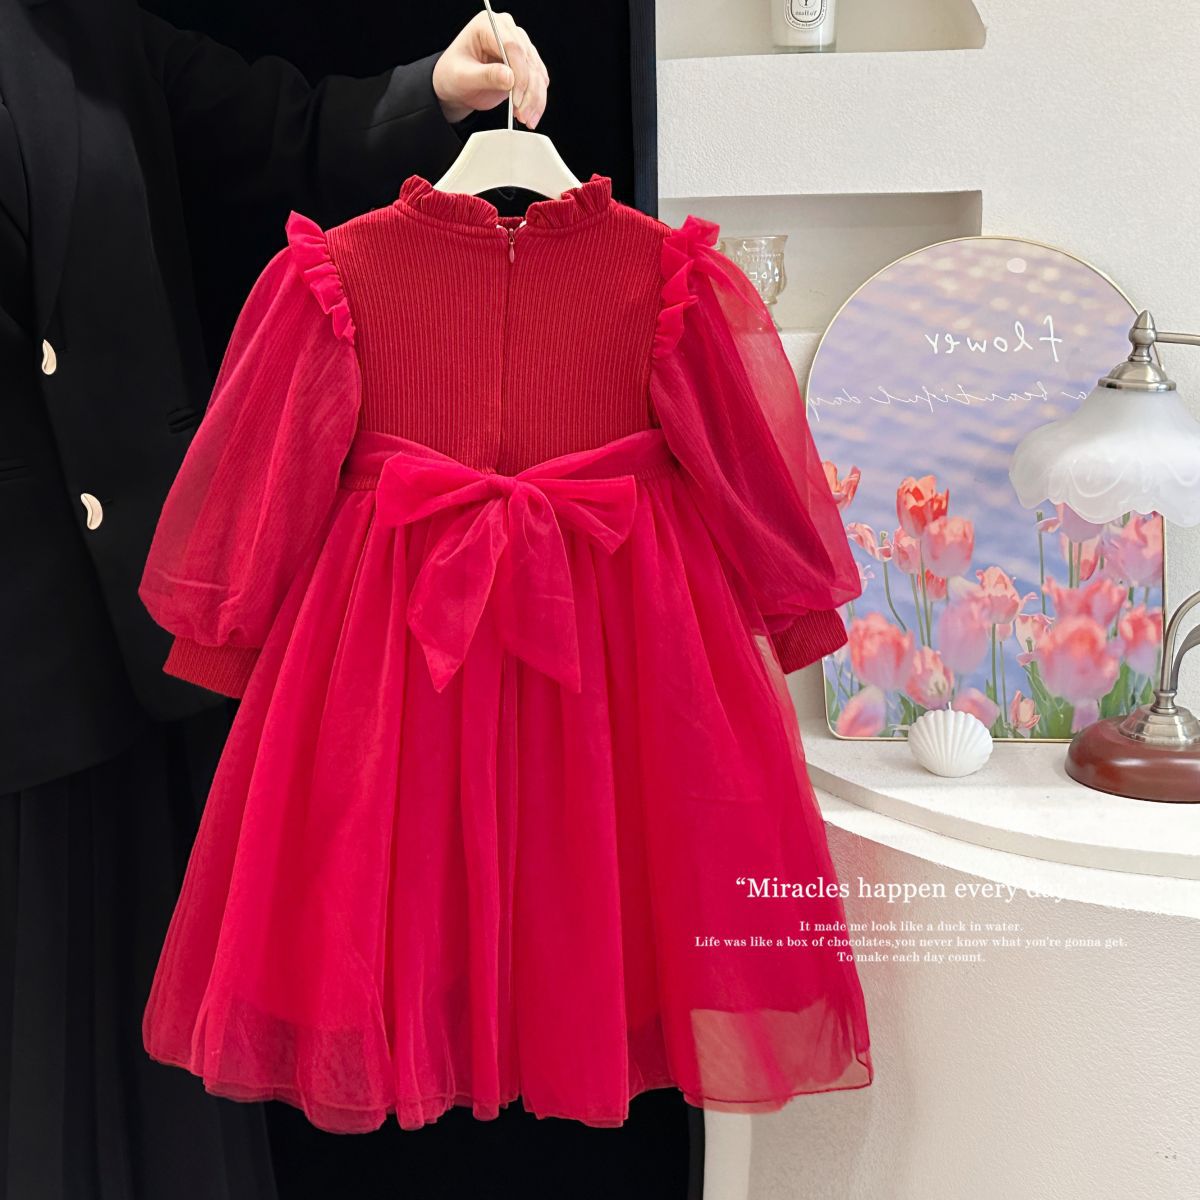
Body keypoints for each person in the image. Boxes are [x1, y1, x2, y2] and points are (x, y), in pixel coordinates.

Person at [0, 3, 548, 1197]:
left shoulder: (80, 34)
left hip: (125, 664)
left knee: (132, 1073)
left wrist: (439, 87)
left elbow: (282, 130)